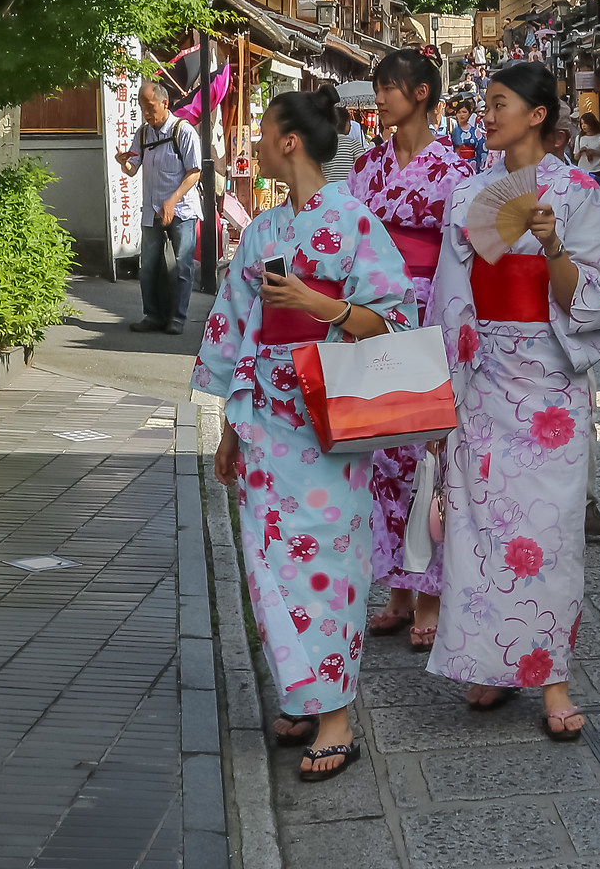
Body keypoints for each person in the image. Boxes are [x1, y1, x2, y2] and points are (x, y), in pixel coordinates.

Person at [196, 86, 417, 784]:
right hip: (265, 419)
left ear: (290, 141)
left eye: (263, 130)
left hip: (329, 423)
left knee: (329, 564)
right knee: (269, 565)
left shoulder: (352, 221)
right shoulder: (262, 230)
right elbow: (240, 327)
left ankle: (336, 719)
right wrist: (231, 426)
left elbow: (396, 321)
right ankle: (300, 692)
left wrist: (320, 304)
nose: (256, 141)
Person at [428, 61, 600, 739]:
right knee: (479, 533)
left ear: (538, 114)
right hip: (483, 382)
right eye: (486, 103)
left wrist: (552, 246)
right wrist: (445, 387)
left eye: (501, 102)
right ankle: (488, 662)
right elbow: (448, 302)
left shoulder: (579, 194)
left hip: (548, 388)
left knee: (548, 535)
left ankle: (552, 679)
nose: (488, 113)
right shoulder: (467, 195)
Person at [348, 48, 473, 652]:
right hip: (377, 311)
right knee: (385, 453)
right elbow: (350, 238)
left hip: (431, 307)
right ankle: (397, 588)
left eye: (389, 87)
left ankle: (430, 591)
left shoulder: (454, 169)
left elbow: (462, 255)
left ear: (422, 92)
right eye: (378, 87)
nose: (380, 96)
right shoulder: (366, 165)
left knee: (427, 448)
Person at [121, 79, 202, 335]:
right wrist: (124, 163)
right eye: (142, 107)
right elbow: (133, 169)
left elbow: (194, 173)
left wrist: (172, 200)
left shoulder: (184, 132)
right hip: (152, 209)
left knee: (182, 266)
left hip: (182, 209)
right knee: (149, 266)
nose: (147, 113)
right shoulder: (143, 133)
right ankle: (153, 315)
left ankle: (177, 318)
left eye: (150, 107)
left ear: (165, 103)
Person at [570, 112, 600, 185]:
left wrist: (595, 152)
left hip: (598, 171)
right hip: (583, 171)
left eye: (585, 123)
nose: (583, 126)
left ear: (592, 124)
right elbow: (576, 157)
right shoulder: (579, 138)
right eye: (582, 124)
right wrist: (580, 152)